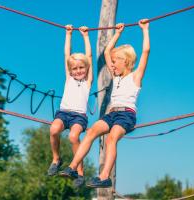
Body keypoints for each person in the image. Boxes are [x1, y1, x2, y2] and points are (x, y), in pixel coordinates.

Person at [59, 19, 150, 188]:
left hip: (126, 115)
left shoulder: (135, 76)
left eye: (115, 62)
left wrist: (145, 29)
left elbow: (146, 51)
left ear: (126, 62)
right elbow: (107, 51)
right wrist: (118, 33)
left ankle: (104, 177)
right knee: (92, 131)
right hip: (111, 113)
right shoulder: (115, 76)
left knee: (111, 139)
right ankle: (73, 167)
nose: (112, 65)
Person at [47, 25, 93, 187]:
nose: (79, 71)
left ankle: (79, 172)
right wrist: (68, 34)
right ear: (70, 70)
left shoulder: (88, 81)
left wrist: (86, 36)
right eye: (75, 68)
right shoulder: (70, 78)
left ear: (86, 68)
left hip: (79, 116)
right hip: (63, 113)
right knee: (53, 130)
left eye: (82, 67)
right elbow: (67, 54)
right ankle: (56, 159)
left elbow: (89, 55)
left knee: (73, 137)